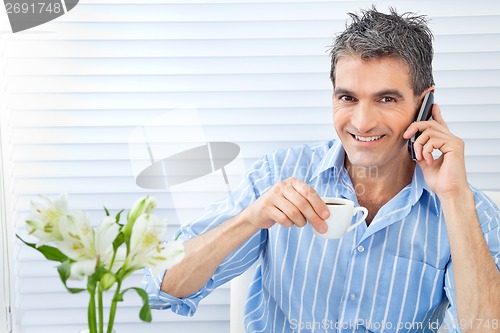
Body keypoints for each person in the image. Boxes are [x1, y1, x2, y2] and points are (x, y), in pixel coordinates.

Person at [144, 7, 500, 332]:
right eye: (348, 98)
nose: (362, 122)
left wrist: (454, 197)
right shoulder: (277, 175)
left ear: (424, 105)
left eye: (386, 99)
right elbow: (162, 287)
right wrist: (249, 220)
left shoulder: (468, 211)